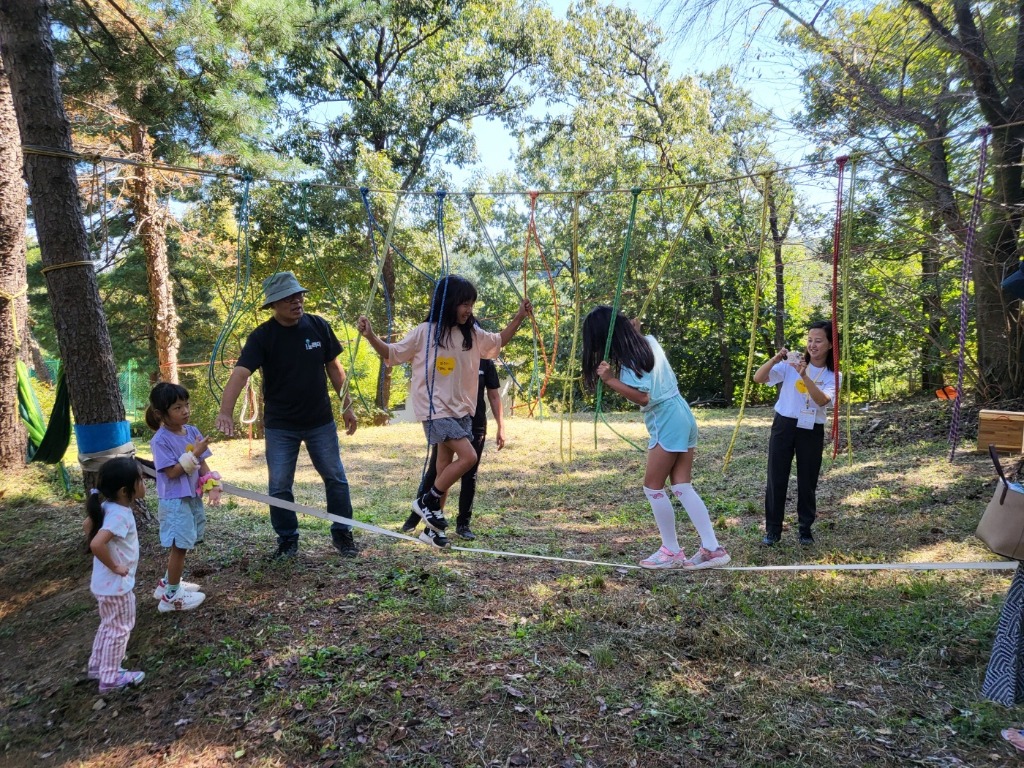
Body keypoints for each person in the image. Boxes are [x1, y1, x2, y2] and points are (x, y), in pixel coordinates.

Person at [357, 275, 531, 548]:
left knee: (443, 467)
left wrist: (519, 317)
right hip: (434, 410)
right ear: (448, 302)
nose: (468, 309)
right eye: (463, 303)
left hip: (462, 410)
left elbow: (499, 342)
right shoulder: (425, 332)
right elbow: (391, 353)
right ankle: (427, 500)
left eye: (471, 303)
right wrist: (370, 336)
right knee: (469, 456)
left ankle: (432, 531)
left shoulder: (471, 334)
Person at [215, 271, 359, 559]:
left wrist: (347, 406)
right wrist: (225, 411)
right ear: (274, 304)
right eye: (289, 297)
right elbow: (241, 373)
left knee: (336, 478)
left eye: (299, 295)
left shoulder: (318, 326)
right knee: (279, 485)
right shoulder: (262, 337)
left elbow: (334, 368)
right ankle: (287, 540)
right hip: (281, 426)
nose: (297, 301)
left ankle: (343, 534)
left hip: (320, 421)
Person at [581, 306, 729, 570]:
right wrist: (635, 334)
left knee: (653, 487)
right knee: (682, 485)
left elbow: (643, 397)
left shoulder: (629, 363)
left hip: (665, 419)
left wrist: (610, 380)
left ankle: (671, 550)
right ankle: (712, 548)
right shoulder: (648, 343)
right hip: (682, 411)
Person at [752, 319, 840, 546]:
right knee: (776, 476)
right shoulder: (792, 363)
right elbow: (758, 378)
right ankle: (773, 530)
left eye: (818, 341)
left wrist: (805, 376)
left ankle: (805, 529)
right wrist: (776, 359)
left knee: (807, 479)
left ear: (831, 344)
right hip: (784, 424)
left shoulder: (833, 375)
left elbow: (822, 400)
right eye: (810, 340)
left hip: (811, 428)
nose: (812, 345)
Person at [400, 357, 505, 540]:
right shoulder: (450, 355)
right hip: (448, 419)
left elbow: (494, 395)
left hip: (475, 423)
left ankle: (463, 524)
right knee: (438, 469)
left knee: (469, 471)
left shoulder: (486, 362)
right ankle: (425, 519)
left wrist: (501, 426)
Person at [146, 382, 215, 613]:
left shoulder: (193, 431)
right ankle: (172, 597)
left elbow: (203, 463)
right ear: (160, 413)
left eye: (186, 405)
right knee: (179, 546)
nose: (185, 411)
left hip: (191, 497)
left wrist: (212, 483)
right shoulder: (160, 440)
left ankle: (167, 583)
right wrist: (193, 453)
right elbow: (173, 472)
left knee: (186, 542)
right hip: (175, 501)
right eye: (177, 407)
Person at [84, 457, 147, 693]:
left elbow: (87, 526)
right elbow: (97, 544)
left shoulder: (106, 507)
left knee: (108, 626)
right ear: (124, 490)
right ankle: (110, 677)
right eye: (140, 480)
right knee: (120, 629)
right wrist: (115, 566)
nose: (144, 484)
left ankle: (98, 667)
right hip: (116, 585)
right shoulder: (120, 514)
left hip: (104, 585)